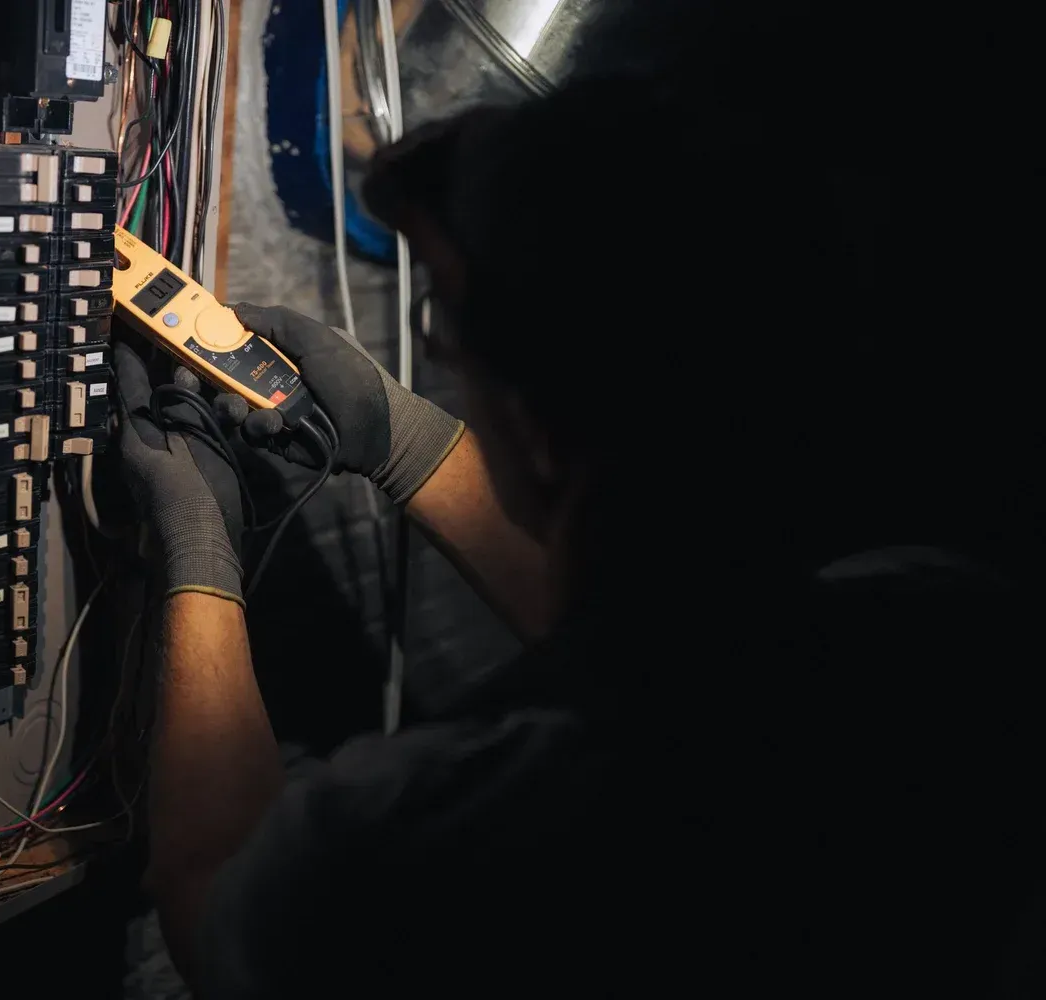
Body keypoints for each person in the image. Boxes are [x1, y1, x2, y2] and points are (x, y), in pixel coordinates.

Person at [111, 3, 1043, 996]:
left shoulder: (416, 837)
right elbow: (663, 628)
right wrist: (406, 440)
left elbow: (215, 896)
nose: (441, 372)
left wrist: (197, 555)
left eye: (451, 351)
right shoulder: (954, 635)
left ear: (539, 429)